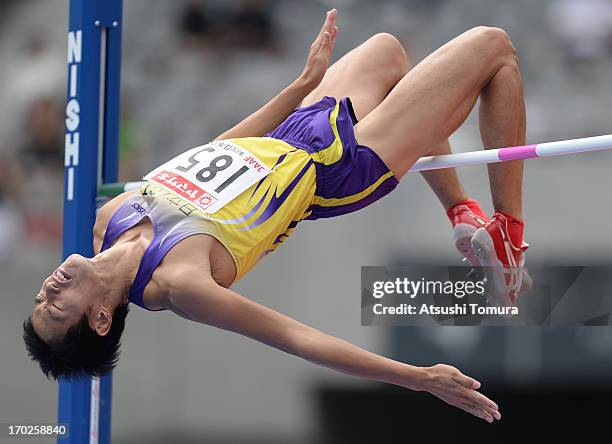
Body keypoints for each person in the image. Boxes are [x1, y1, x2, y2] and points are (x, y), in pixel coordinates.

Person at [23, 9, 535, 423]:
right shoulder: (177, 283)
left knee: (387, 51)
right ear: (100, 317)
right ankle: (508, 233)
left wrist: (301, 85)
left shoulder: (109, 218)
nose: (49, 289)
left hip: (292, 135)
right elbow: (297, 338)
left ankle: (462, 212)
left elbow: (218, 149)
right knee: (496, 48)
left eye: (41, 298)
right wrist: (417, 377)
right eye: (58, 308)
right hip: (337, 170)